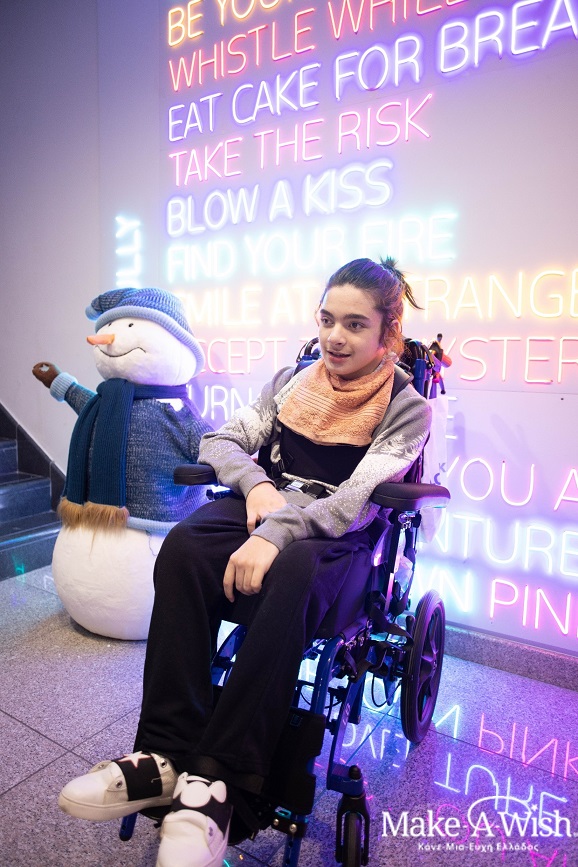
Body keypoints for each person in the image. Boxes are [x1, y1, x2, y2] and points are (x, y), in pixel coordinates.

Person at [58, 257, 432, 867]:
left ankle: (219, 781)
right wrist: (257, 486)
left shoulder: (408, 409)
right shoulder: (291, 382)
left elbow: (355, 501)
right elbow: (221, 440)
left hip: (337, 534)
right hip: (268, 505)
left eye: (355, 324)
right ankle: (163, 754)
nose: (335, 337)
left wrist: (278, 531)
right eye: (327, 320)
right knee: (186, 548)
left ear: (387, 332)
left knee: (295, 572)